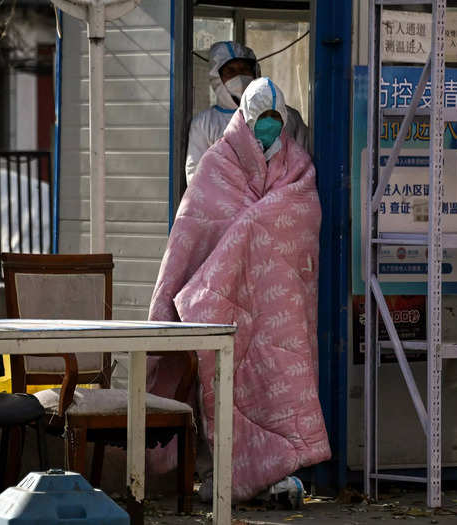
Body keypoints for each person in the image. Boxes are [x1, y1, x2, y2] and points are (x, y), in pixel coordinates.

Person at [149, 77, 329, 503]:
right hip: (225, 306)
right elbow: (193, 228)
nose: (266, 127)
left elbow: (303, 214)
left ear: (282, 120)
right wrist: (250, 231)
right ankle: (230, 474)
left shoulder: (298, 164)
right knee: (223, 383)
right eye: (259, 119)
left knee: (280, 383)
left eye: (273, 119)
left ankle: (277, 474)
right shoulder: (216, 165)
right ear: (244, 120)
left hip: (280, 305)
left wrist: (252, 227)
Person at [185, 41, 310, 184]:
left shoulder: (288, 116)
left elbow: (304, 166)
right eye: (230, 71)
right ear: (216, 76)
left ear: (255, 72)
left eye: (245, 69)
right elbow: (196, 177)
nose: (239, 76)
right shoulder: (204, 123)